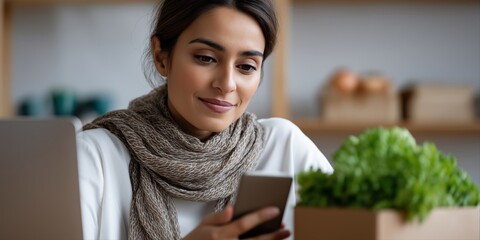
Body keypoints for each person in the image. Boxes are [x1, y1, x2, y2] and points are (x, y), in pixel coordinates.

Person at [76, 0, 333, 239]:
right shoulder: (93, 156)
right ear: (161, 57)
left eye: (246, 66)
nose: (226, 84)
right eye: (206, 58)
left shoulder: (285, 147)